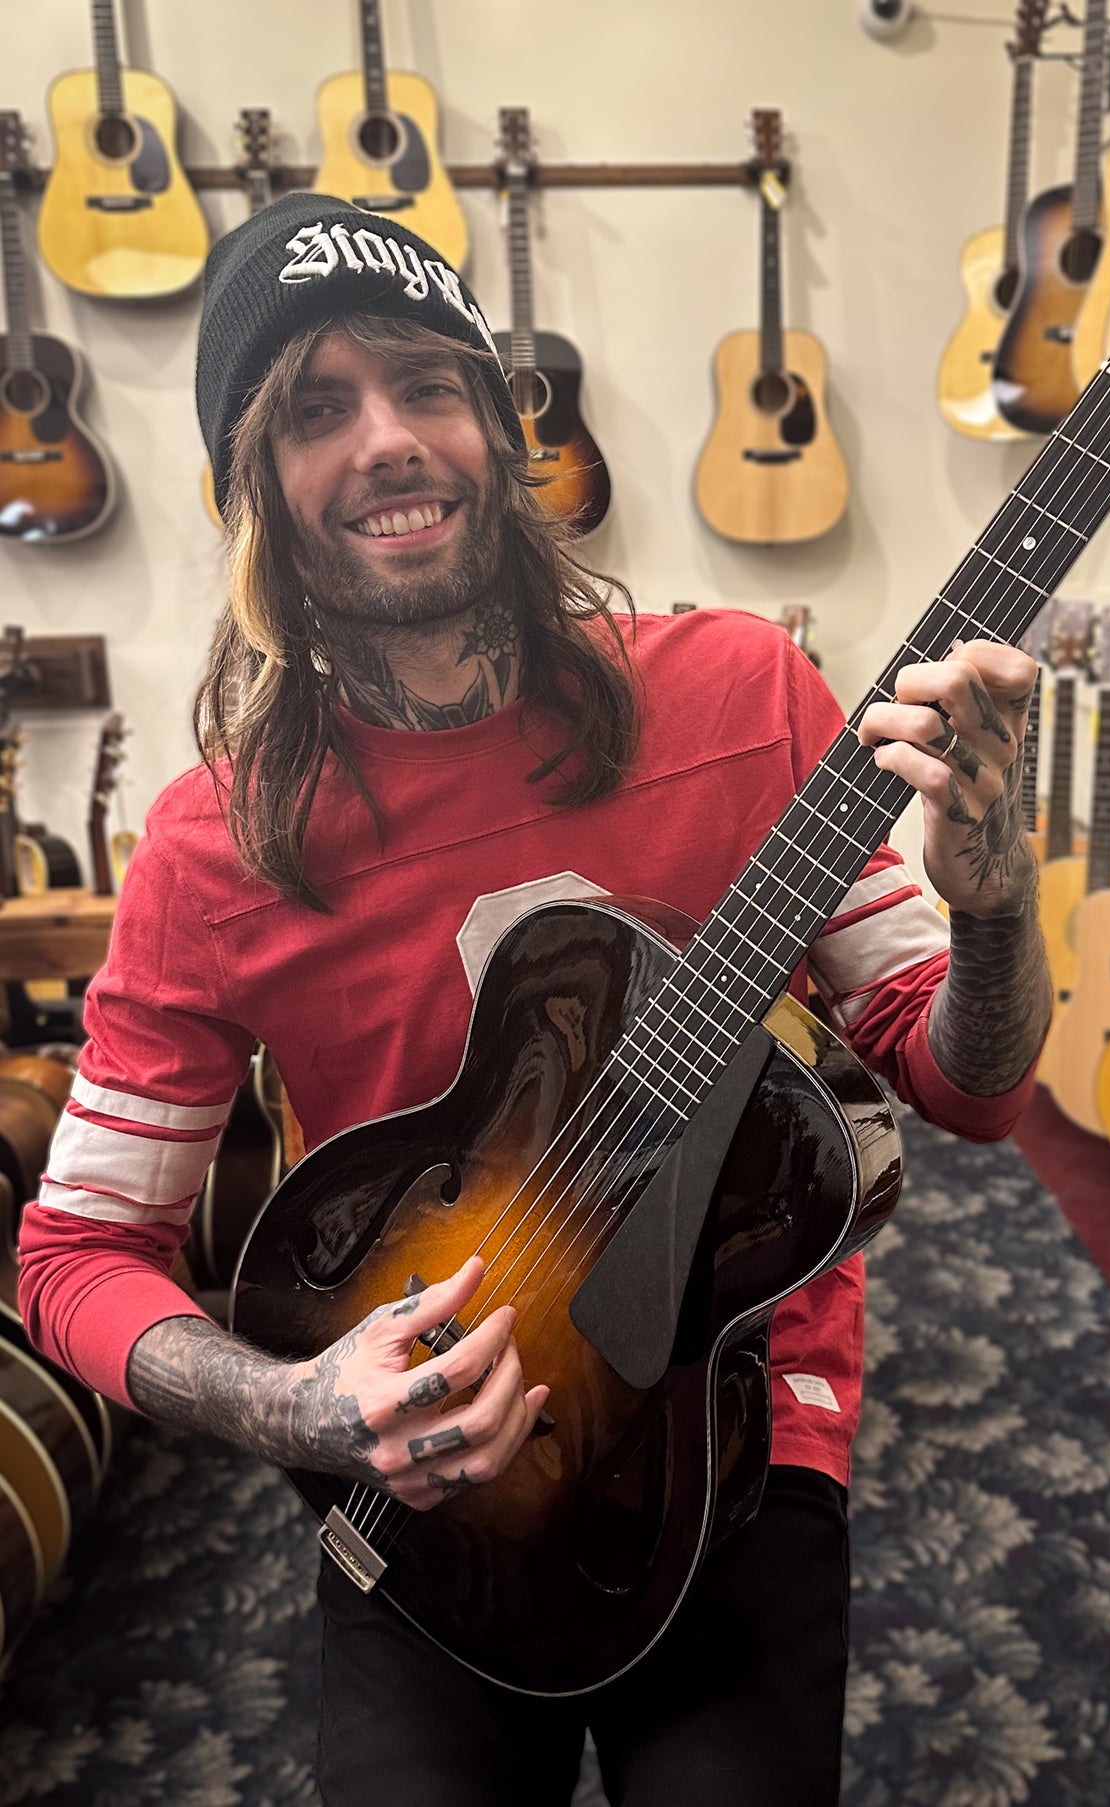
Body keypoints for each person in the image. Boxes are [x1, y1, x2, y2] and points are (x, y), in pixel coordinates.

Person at [17, 195, 1051, 1805]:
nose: (388, 441)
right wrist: (300, 1405)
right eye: (314, 407)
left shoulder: (744, 694)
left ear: (502, 430)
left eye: (430, 385)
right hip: (418, 1466)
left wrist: (994, 917)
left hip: (732, 1424)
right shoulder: (212, 849)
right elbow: (75, 1253)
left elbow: (966, 1083)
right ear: (249, 492)